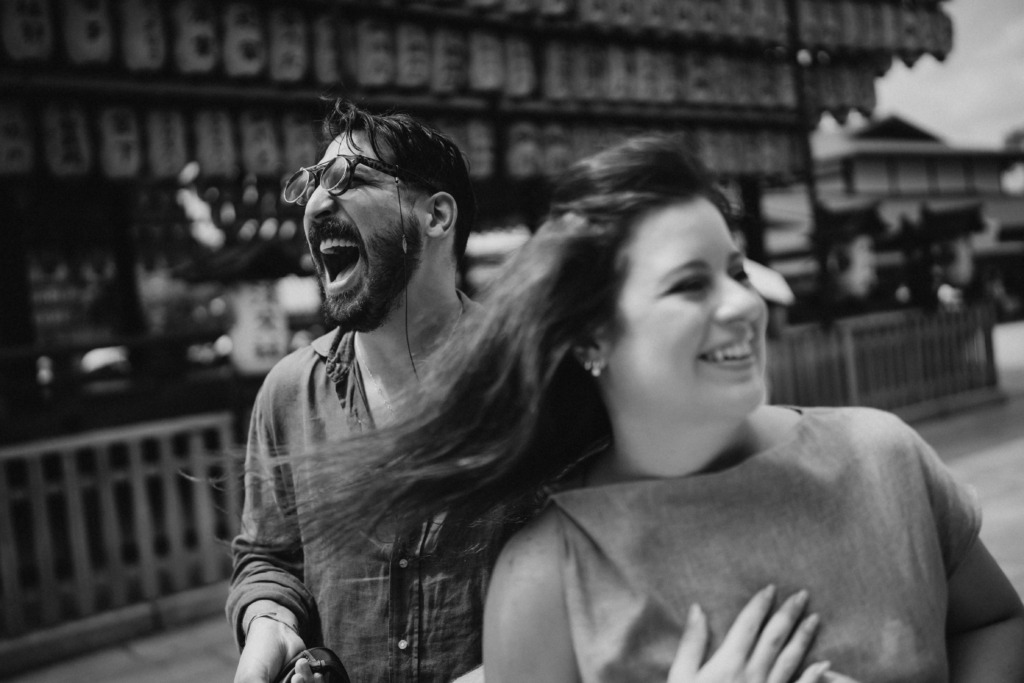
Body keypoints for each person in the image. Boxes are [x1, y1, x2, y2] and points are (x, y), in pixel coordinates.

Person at [295, 134, 1024, 682]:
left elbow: (994, 620)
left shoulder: (883, 455)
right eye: (689, 285)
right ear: (591, 338)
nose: (743, 304)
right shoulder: (546, 576)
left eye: (736, 271)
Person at [227, 99, 491, 683]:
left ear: (438, 216)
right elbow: (270, 556)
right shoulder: (289, 394)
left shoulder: (534, 384)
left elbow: (596, 570)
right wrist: (270, 623)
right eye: (312, 183)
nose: (318, 202)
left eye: (349, 179)